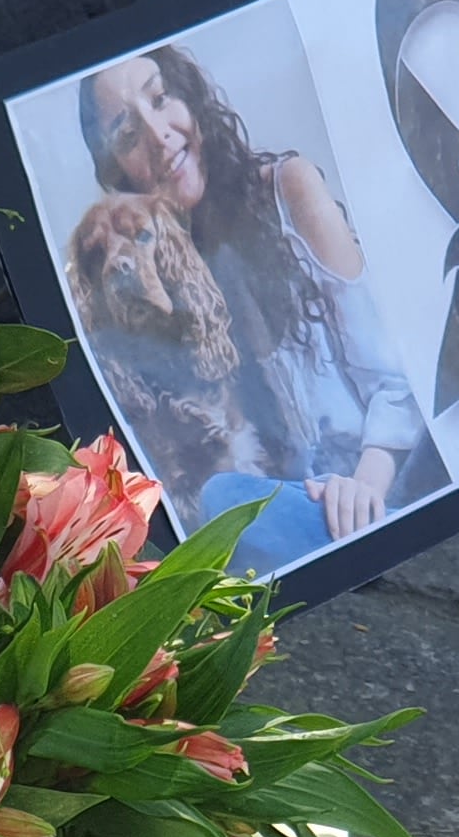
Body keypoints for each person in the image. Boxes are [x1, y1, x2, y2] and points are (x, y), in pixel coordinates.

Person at [65, 46, 422, 574]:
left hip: (384, 485)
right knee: (218, 502)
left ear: (190, 98)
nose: (159, 133)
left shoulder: (289, 188)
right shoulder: (169, 281)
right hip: (293, 504)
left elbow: (401, 381)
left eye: (161, 99)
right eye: (128, 134)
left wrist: (363, 489)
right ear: (119, 173)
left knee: (224, 506)